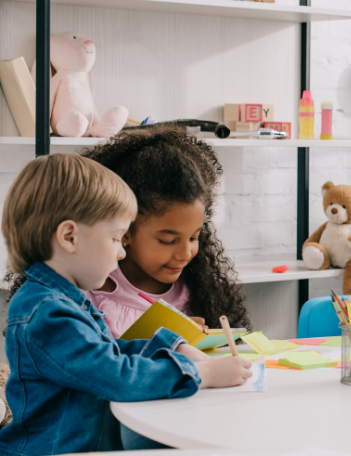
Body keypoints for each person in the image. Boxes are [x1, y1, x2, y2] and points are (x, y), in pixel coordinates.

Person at [0, 154, 251, 455]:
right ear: (69, 237)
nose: (121, 253)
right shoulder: (46, 314)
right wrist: (202, 375)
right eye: (117, 238)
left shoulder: (64, 301)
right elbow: (116, 376)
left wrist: (172, 346)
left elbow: (107, 351)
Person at [79, 126, 252, 337]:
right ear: (124, 232)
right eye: (168, 240)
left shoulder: (198, 290)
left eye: (194, 237)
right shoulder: (92, 290)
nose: (185, 253)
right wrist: (165, 339)